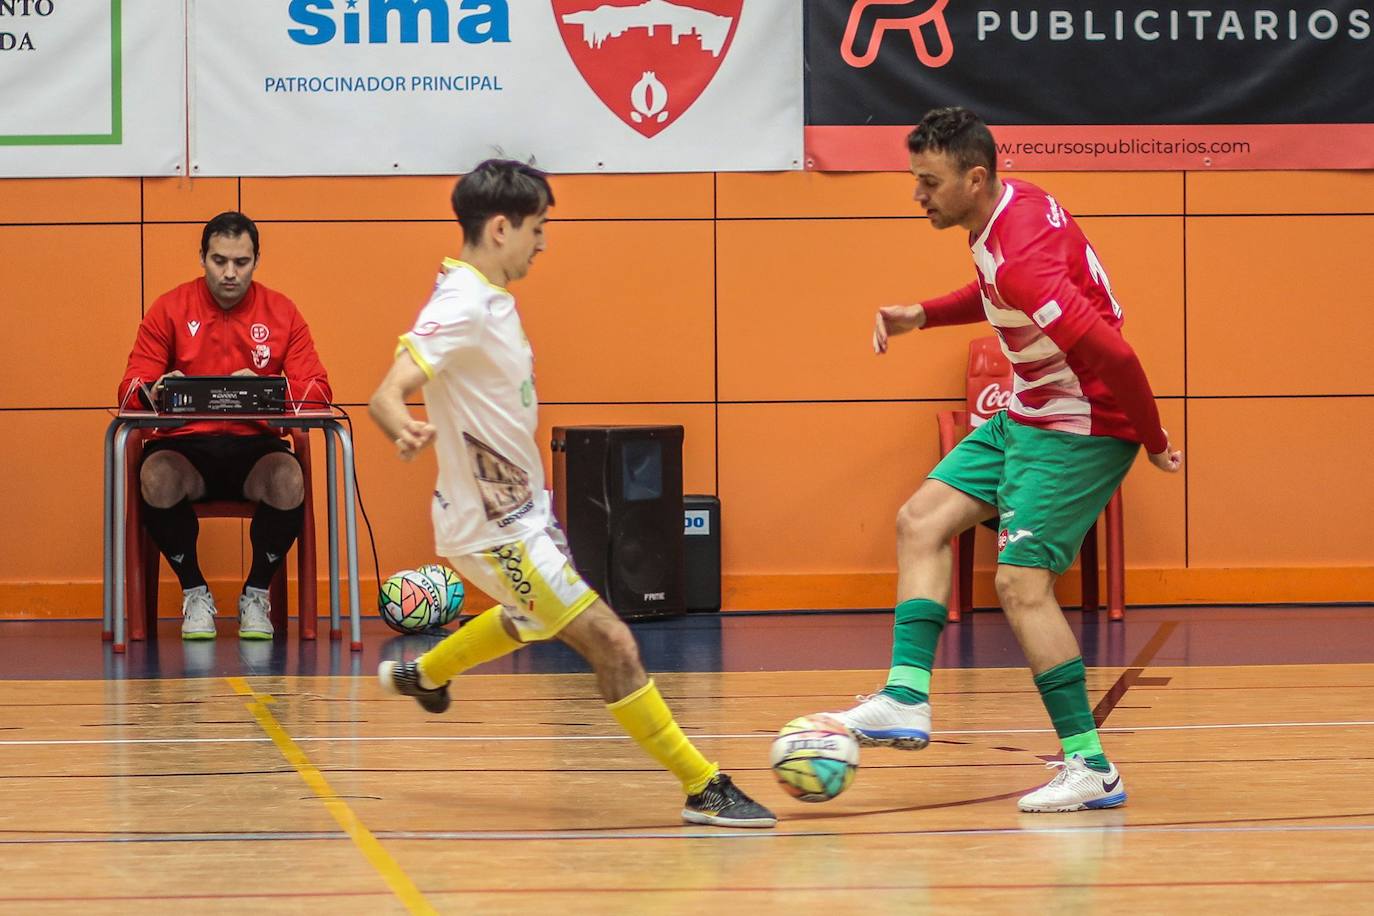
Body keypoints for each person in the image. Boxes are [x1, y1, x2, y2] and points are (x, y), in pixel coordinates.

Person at [368, 159, 776, 828]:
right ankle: (704, 786)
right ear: (500, 228)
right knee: (612, 643)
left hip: (526, 513)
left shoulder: (487, 297)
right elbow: (389, 387)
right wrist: (400, 425)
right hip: (496, 527)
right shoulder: (461, 303)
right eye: (538, 227)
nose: (544, 241)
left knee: (532, 617)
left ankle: (428, 675)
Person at [829, 108, 1183, 812]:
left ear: (975, 176)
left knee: (1021, 585)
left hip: (1082, 424)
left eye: (928, 183)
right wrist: (923, 315)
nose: (918, 196)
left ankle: (1091, 767)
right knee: (920, 520)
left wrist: (1153, 439)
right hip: (1029, 409)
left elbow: (1113, 352)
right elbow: (995, 294)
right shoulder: (1007, 212)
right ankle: (905, 698)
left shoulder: (1023, 256)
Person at [118, 211, 332, 641]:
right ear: (202, 258)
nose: (230, 273)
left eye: (241, 262)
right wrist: (157, 390)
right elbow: (127, 392)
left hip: (254, 449)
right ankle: (195, 592)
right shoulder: (169, 308)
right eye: (219, 261)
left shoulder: (282, 312)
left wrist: (272, 390)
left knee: (290, 479)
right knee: (154, 477)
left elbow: (320, 392)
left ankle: (255, 594)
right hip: (185, 450)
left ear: (256, 260)